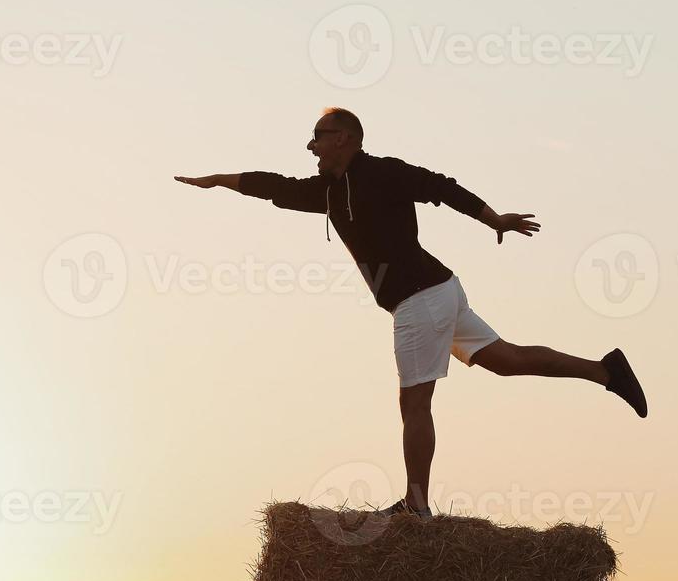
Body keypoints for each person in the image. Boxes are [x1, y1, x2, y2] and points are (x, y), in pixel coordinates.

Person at [174, 108, 647, 520]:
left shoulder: (383, 173)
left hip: (421, 298)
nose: (312, 147)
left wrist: (494, 219)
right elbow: (274, 187)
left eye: (319, 137)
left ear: (346, 139)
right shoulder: (329, 191)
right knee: (509, 360)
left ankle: (416, 506)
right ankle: (606, 371)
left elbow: (440, 187)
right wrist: (219, 181)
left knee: (414, 404)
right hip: (437, 292)